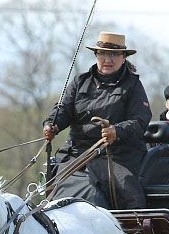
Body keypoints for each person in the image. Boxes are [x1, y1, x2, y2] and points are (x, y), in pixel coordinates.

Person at [43, 32, 152, 209]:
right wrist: (51, 125)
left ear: (123, 57)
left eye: (114, 54)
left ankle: (132, 230)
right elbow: (63, 109)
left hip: (116, 155)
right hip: (78, 154)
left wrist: (116, 131)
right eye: (103, 54)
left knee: (127, 192)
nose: (107, 59)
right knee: (55, 186)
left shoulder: (132, 85)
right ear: (96, 55)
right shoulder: (80, 81)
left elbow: (140, 120)